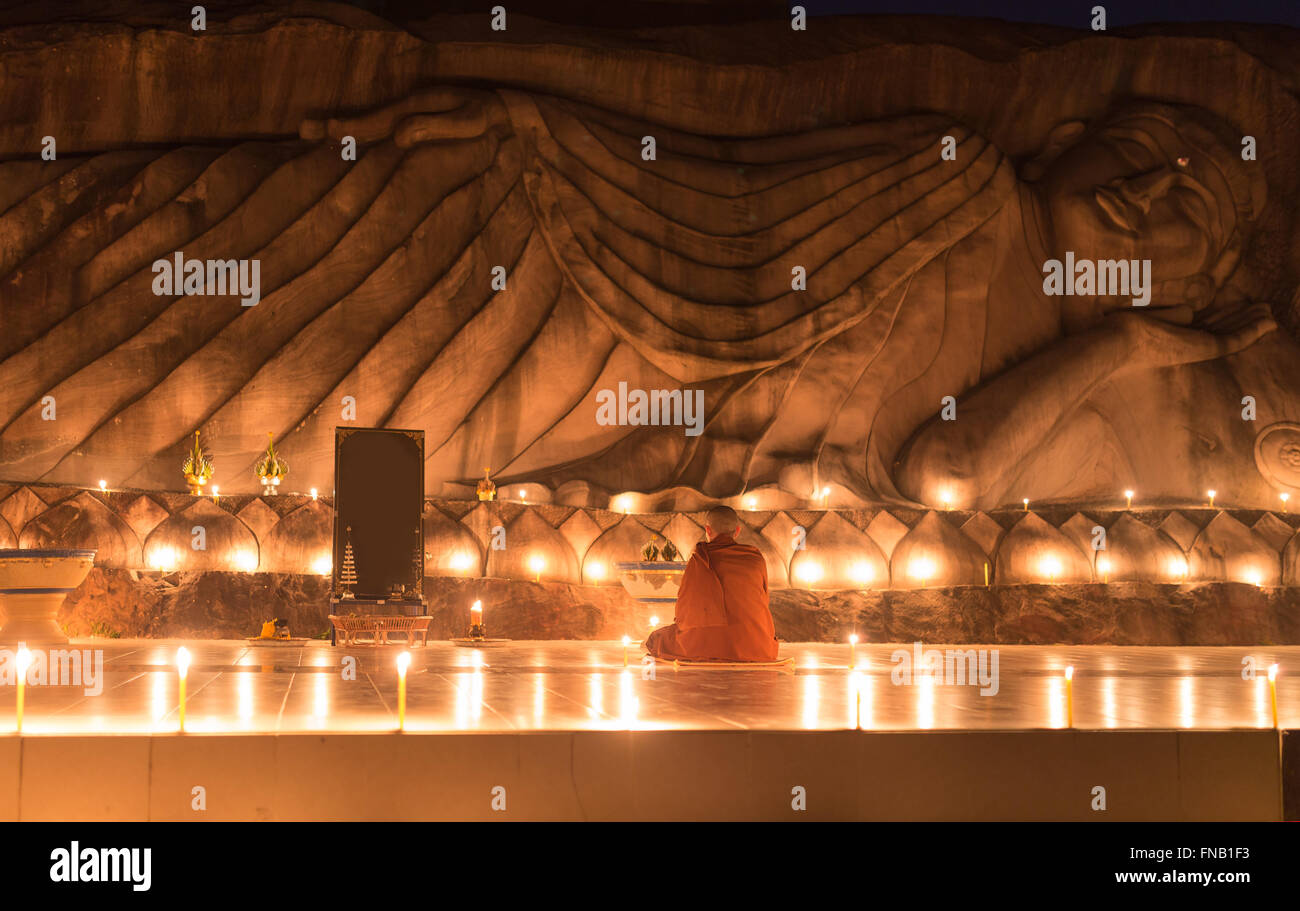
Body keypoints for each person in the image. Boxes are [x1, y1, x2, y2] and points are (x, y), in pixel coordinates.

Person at [644, 505, 779, 662]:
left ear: (708, 531)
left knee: (657, 640)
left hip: (704, 645)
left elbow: (684, 611)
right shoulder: (755, 558)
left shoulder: (699, 559)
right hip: (756, 647)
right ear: (737, 531)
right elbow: (763, 600)